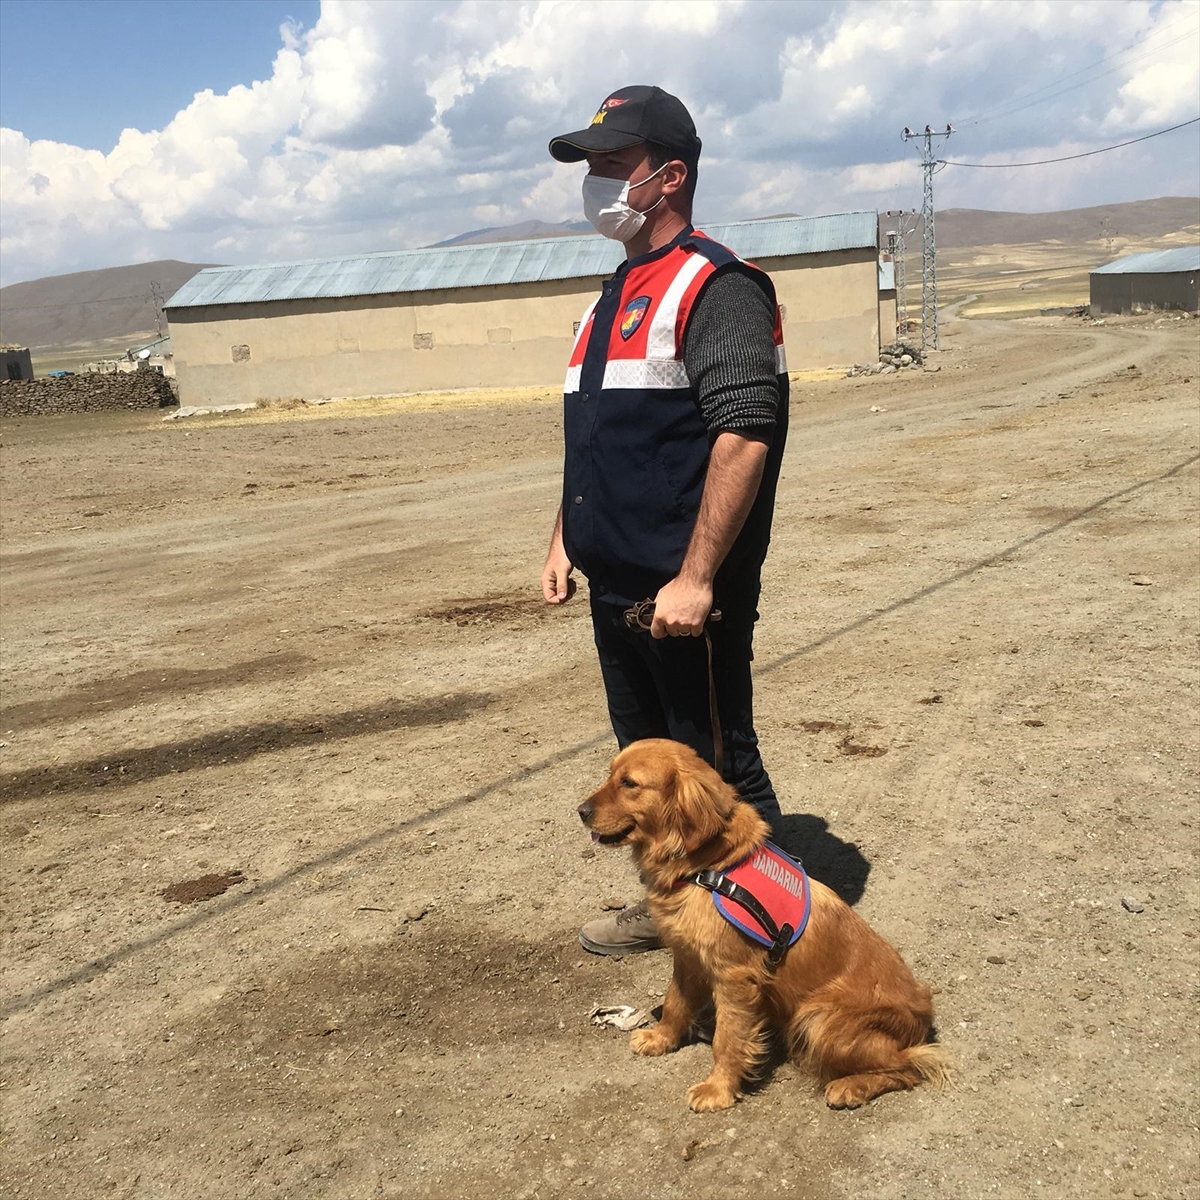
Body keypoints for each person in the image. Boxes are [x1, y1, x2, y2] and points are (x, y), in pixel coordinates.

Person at [540, 85, 789, 955]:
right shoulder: (613, 293)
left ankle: (770, 923)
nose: (595, 180)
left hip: (683, 595)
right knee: (647, 771)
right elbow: (602, 438)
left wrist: (695, 578)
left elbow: (745, 437)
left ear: (670, 175)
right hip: (616, 588)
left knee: (716, 766)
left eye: (613, 163)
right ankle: (680, 911)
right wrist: (564, 538)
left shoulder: (718, 286)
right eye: (591, 165)